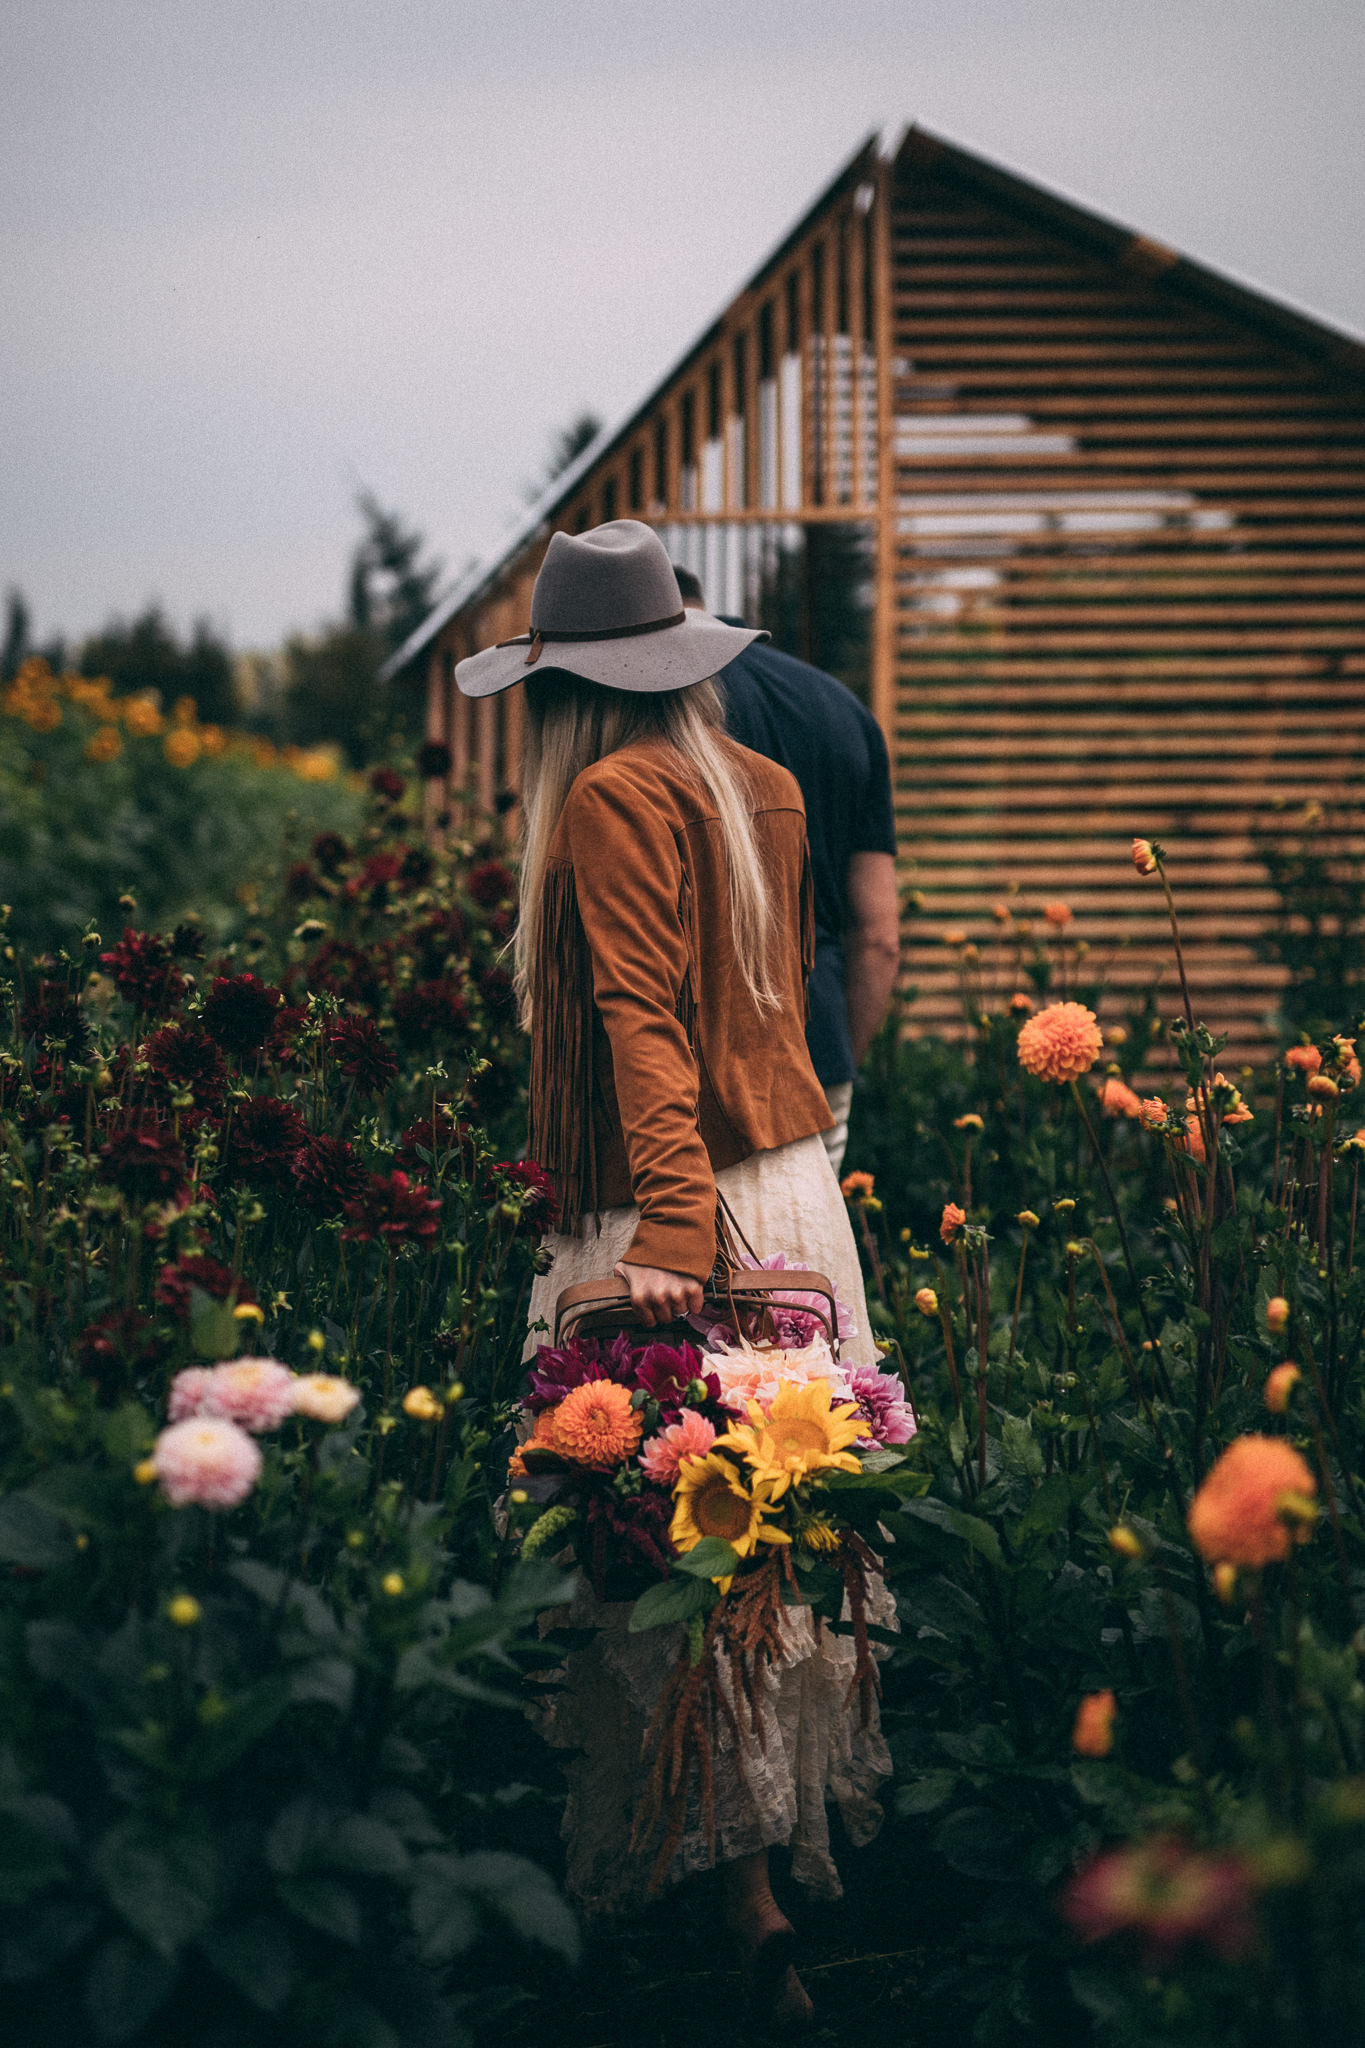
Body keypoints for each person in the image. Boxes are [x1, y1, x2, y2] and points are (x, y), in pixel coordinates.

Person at [456, 521, 892, 2028]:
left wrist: (661, 1239)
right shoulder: (755, 780)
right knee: (767, 1536)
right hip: (787, 1184)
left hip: (671, 1199)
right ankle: (753, 1873)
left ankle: (725, 1894)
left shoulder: (603, 793)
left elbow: (646, 1022)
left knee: (659, 1553)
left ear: (564, 683)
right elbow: (786, 985)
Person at [672, 565, 899, 1175]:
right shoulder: (844, 711)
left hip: (688, 1062)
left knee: (692, 1261)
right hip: (817, 1042)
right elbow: (879, 938)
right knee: (804, 1263)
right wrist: (833, 1057)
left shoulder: (658, 703)